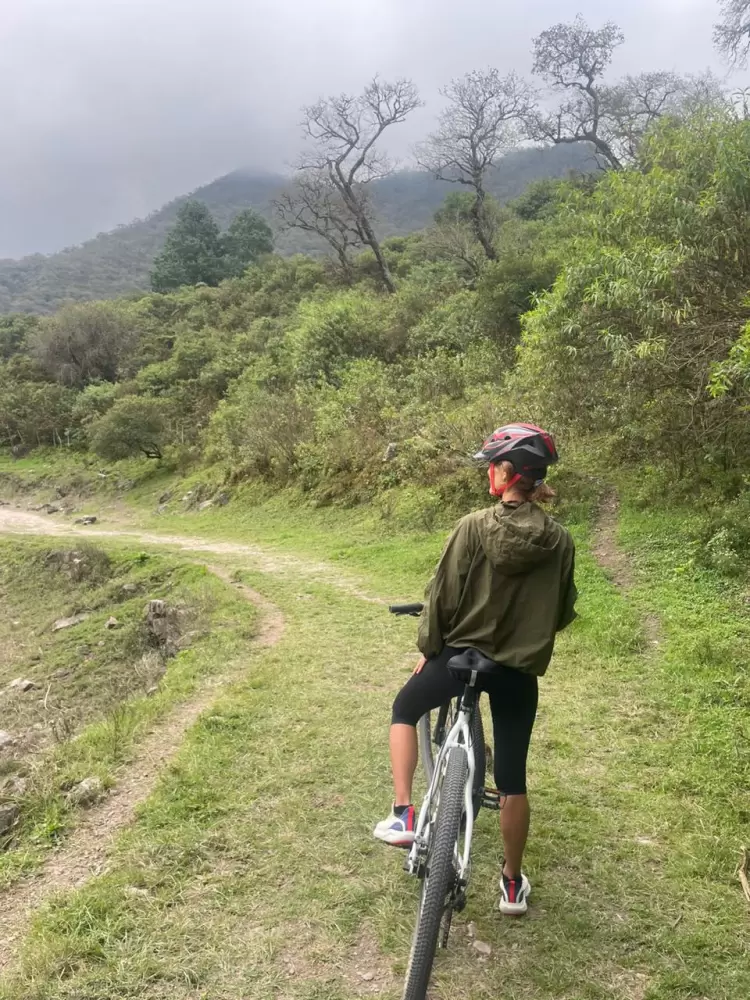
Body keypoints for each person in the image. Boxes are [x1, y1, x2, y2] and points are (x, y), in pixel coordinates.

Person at [373, 423, 577, 915]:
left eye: (493, 465)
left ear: (505, 474)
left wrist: (430, 648)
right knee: (511, 779)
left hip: (459, 658)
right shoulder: (561, 541)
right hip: (516, 672)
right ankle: (510, 884)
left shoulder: (472, 525)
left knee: (405, 706)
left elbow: (442, 597)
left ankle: (403, 814)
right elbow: (562, 612)